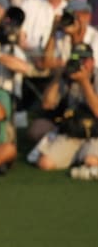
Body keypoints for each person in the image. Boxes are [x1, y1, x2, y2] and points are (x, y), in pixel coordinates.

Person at [28, 43, 98, 177]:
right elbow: (47, 104)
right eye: (77, 60)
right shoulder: (67, 77)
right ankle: (78, 159)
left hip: (95, 134)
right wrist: (59, 76)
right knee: (45, 163)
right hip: (72, 132)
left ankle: (85, 159)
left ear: (92, 61)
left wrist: (84, 83)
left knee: (91, 161)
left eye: (84, 61)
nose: (80, 64)